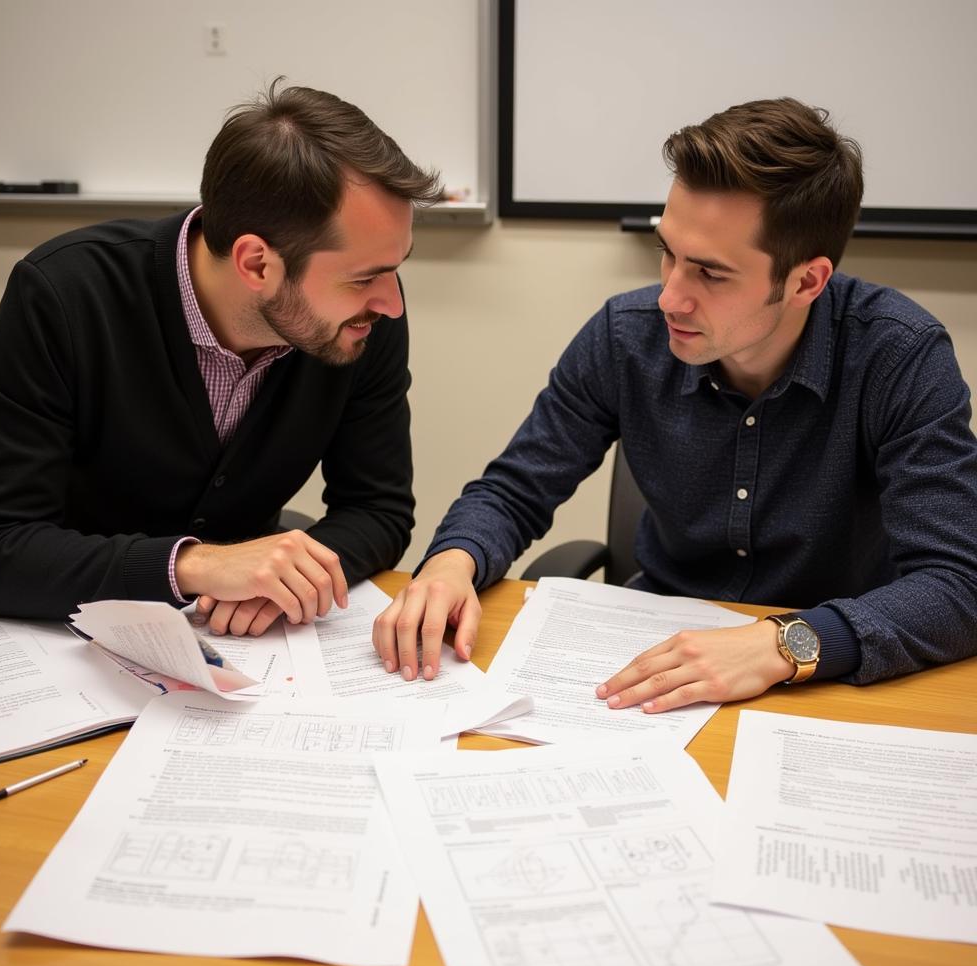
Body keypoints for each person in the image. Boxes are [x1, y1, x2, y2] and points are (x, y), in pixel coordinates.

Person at [373, 97, 977, 711]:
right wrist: (453, 562)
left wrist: (780, 644)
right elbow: (515, 490)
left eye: (710, 274)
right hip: (652, 660)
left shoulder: (899, 357)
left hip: (823, 678)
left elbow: (959, 585)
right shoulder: (626, 336)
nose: (670, 298)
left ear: (805, 282)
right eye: (668, 252)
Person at [0, 80, 442, 635]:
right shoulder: (66, 294)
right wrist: (196, 567)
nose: (391, 304)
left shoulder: (358, 324)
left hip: (237, 657)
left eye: (394, 267)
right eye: (364, 278)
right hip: (63, 639)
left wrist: (288, 579)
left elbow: (377, 509)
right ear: (257, 264)